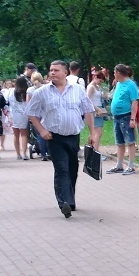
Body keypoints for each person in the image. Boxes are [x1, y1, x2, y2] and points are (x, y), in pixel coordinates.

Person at [27, 60, 97, 217]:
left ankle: (70, 200)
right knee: (61, 169)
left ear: (65, 73)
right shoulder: (42, 92)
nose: (52, 73)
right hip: (54, 137)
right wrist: (42, 130)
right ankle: (63, 202)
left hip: (73, 136)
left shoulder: (78, 90)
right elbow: (31, 112)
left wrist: (92, 133)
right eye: (51, 70)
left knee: (73, 169)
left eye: (56, 70)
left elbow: (88, 111)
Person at [105, 63, 139, 173]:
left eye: (114, 72)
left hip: (126, 116)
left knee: (130, 142)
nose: (113, 74)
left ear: (119, 73)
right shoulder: (119, 84)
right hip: (117, 117)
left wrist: (133, 118)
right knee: (119, 142)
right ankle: (119, 165)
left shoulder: (131, 85)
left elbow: (135, 101)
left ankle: (131, 166)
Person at [8, 75, 31, 160]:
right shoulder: (26, 92)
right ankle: (24, 153)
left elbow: (8, 103)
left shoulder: (10, 91)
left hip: (14, 114)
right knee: (24, 134)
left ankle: (18, 153)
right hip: (23, 115)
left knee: (16, 134)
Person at [29, 71, 50, 160]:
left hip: (35, 115)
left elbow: (28, 104)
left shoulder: (30, 90)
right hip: (45, 114)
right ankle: (49, 152)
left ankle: (43, 154)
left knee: (39, 134)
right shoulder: (46, 88)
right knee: (48, 133)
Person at [86, 71, 107, 157]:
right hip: (94, 110)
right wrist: (97, 109)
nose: (100, 83)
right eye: (100, 80)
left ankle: (92, 151)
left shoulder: (97, 87)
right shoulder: (91, 87)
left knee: (95, 132)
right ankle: (96, 152)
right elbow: (87, 99)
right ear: (95, 77)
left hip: (99, 109)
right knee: (98, 132)